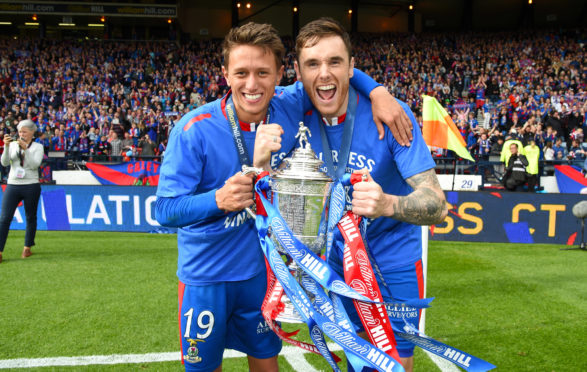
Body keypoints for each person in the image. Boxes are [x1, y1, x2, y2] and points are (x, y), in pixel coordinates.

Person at [155, 22, 411, 372]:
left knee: (266, 363)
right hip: (206, 278)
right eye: (241, 72)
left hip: (264, 277)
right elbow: (165, 210)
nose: (252, 84)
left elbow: (333, 71)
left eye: (263, 72)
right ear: (225, 74)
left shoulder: (290, 106)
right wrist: (218, 199)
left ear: (279, 75)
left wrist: (378, 91)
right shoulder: (193, 129)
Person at [254, 18, 447, 372]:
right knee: (350, 359)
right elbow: (245, 92)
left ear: (351, 67)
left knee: (392, 364)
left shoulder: (390, 115)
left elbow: (437, 205)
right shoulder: (291, 104)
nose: (324, 74)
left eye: (335, 62)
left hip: (392, 262)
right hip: (326, 263)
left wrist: (389, 203)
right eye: (313, 64)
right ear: (298, 71)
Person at [0, 120, 44, 264]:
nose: (21, 134)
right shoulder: (12, 145)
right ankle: (0, 251)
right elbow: (5, 163)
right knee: (4, 218)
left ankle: (27, 247)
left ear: (32, 132)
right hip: (13, 184)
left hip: (31, 185)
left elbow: (34, 165)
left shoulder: (38, 147)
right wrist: (6, 147)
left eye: (24, 131)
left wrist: (26, 149)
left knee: (30, 217)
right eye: (20, 132)